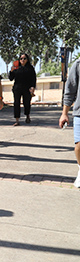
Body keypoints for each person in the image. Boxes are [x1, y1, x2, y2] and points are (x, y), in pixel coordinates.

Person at [59, 58, 80, 188]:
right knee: (79, 145)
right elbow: (70, 90)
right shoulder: (78, 64)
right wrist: (64, 113)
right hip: (79, 112)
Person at [9, 53, 36, 126]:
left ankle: (27, 116)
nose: (22, 60)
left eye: (24, 58)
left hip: (27, 88)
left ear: (27, 60)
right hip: (17, 88)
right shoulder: (16, 67)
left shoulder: (30, 68)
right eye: (21, 58)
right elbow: (11, 78)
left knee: (26, 103)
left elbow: (33, 78)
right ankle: (17, 120)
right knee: (16, 103)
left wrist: (33, 87)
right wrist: (11, 71)